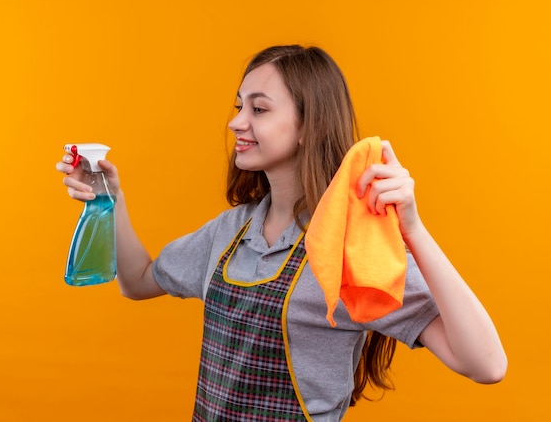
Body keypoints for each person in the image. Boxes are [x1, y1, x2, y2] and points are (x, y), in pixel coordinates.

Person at [56, 45, 507, 421]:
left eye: (259, 109)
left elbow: (486, 365)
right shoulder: (232, 230)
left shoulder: (350, 245)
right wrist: (108, 197)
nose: (236, 122)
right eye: (239, 106)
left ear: (309, 127)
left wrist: (413, 229)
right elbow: (137, 281)